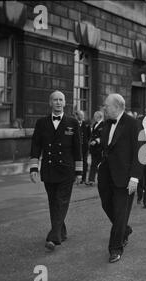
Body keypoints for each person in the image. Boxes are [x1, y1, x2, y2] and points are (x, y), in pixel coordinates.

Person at [29, 90, 83, 251]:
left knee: (61, 201)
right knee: (53, 202)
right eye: (55, 100)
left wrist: (79, 171)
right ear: (50, 103)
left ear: (65, 103)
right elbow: (36, 145)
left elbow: (78, 148)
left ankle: (54, 237)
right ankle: (62, 232)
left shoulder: (73, 123)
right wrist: (33, 167)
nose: (58, 102)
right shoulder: (41, 123)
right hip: (49, 169)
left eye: (61, 100)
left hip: (66, 170)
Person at [97, 94, 143, 263]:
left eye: (106, 106)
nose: (104, 108)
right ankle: (124, 229)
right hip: (106, 175)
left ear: (116, 107)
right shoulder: (107, 123)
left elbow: (140, 152)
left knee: (120, 211)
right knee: (106, 204)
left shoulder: (133, 124)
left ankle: (115, 248)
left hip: (125, 177)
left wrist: (135, 178)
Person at [87, 111, 104, 186]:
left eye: (95, 116)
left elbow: (103, 136)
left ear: (99, 116)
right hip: (93, 148)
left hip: (100, 148)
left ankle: (101, 180)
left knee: (101, 165)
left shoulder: (103, 124)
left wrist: (96, 141)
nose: (94, 117)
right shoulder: (94, 125)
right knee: (93, 164)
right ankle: (91, 180)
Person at [74, 110, 91, 183]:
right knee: (76, 161)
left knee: (84, 162)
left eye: (82, 115)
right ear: (77, 116)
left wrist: (86, 142)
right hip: (76, 147)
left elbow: (89, 135)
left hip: (84, 147)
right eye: (80, 115)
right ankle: (75, 177)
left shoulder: (86, 124)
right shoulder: (74, 124)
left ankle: (83, 179)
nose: (81, 116)